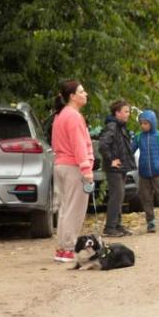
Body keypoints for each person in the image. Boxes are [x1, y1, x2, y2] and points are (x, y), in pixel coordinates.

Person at [51, 80, 94, 263]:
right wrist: (86, 168)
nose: (85, 94)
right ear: (72, 96)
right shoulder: (74, 116)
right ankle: (69, 247)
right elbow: (78, 144)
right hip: (74, 166)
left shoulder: (60, 115)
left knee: (64, 208)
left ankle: (62, 247)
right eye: (82, 91)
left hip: (60, 165)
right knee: (75, 209)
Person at [132, 110, 159, 233]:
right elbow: (130, 150)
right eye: (142, 123)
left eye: (146, 123)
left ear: (152, 123)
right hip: (143, 173)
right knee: (146, 198)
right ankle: (150, 222)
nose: (143, 126)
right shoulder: (139, 137)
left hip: (158, 173)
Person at [99, 100, 137, 237]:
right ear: (117, 113)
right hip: (114, 169)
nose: (128, 114)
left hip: (121, 169)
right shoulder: (112, 126)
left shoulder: (120, 127)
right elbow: (103, 145)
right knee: (117, 196)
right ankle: (109, 227)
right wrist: (111, 160)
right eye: (126, 112)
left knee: (120, 196)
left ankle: (117, 225)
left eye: (128, 111)